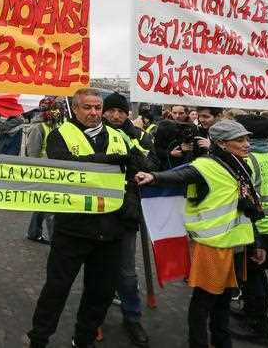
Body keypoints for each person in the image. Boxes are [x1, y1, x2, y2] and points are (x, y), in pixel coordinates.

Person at [28, 88, 146, 348]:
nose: (94, 113)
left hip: (111, 230)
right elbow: (66, 165)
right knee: (56, 290)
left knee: (100, 293)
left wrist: (129, 165)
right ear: (76, 108)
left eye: (97, 108)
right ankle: (39, 339)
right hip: (73, 229)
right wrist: (113, 162)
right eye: (87, 108)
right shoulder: (61, 135)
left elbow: (141, 164)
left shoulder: (118, 136)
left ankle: (84, 339)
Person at [134, 120, 265, 348]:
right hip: (212, 247)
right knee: (203, 302)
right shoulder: (205, 166)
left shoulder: (241, 166)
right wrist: (154, 177)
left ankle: (222, 341)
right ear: (223, 143)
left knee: (223, 300)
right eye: (240, 140)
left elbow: (247, 206)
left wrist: (257, 243)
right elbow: (182, 175)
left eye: (246, 139)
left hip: (236, 245)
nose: (247, 144)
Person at [100, 92, 151, 347]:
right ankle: (94, 319)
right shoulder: (95, 133)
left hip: (127, 213)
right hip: (98, 214)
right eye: (112, 111)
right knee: (98, 269)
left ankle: (132, 317)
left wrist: (131, 156)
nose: (116, 116)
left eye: (121, 111)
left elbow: (149, 162)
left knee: (127, 272)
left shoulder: (138, 135)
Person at [226, 115, 268, 344]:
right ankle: (252, 312)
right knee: (258, 277)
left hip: (256, 228)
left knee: (252, 278)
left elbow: (247, 198)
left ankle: (258, 327)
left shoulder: (249, 161)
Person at [25, 96, 63, 244]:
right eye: (55, 110)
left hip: (54, 171)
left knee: (42, 204)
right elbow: (33, 154)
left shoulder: (53, 125)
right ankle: (57, 242)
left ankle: (34, 232)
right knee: (50, 207)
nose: (58, 113)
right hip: (43, 172)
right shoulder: (38, 127)